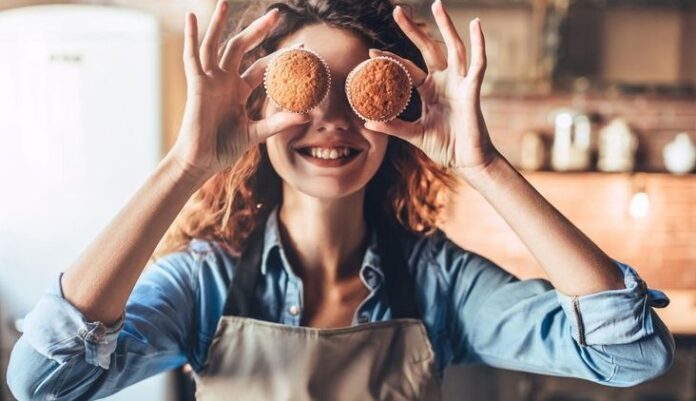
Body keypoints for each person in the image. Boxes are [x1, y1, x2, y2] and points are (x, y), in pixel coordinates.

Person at [7, 0, 674, 400]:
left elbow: (629, 353)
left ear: (392, 117)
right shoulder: (204, 284)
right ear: (259, 109)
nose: (332, 121)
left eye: (356, 94)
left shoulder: (439, 284)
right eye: (304, 92)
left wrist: (484, 163)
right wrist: (187, 165)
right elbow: (43, 380)